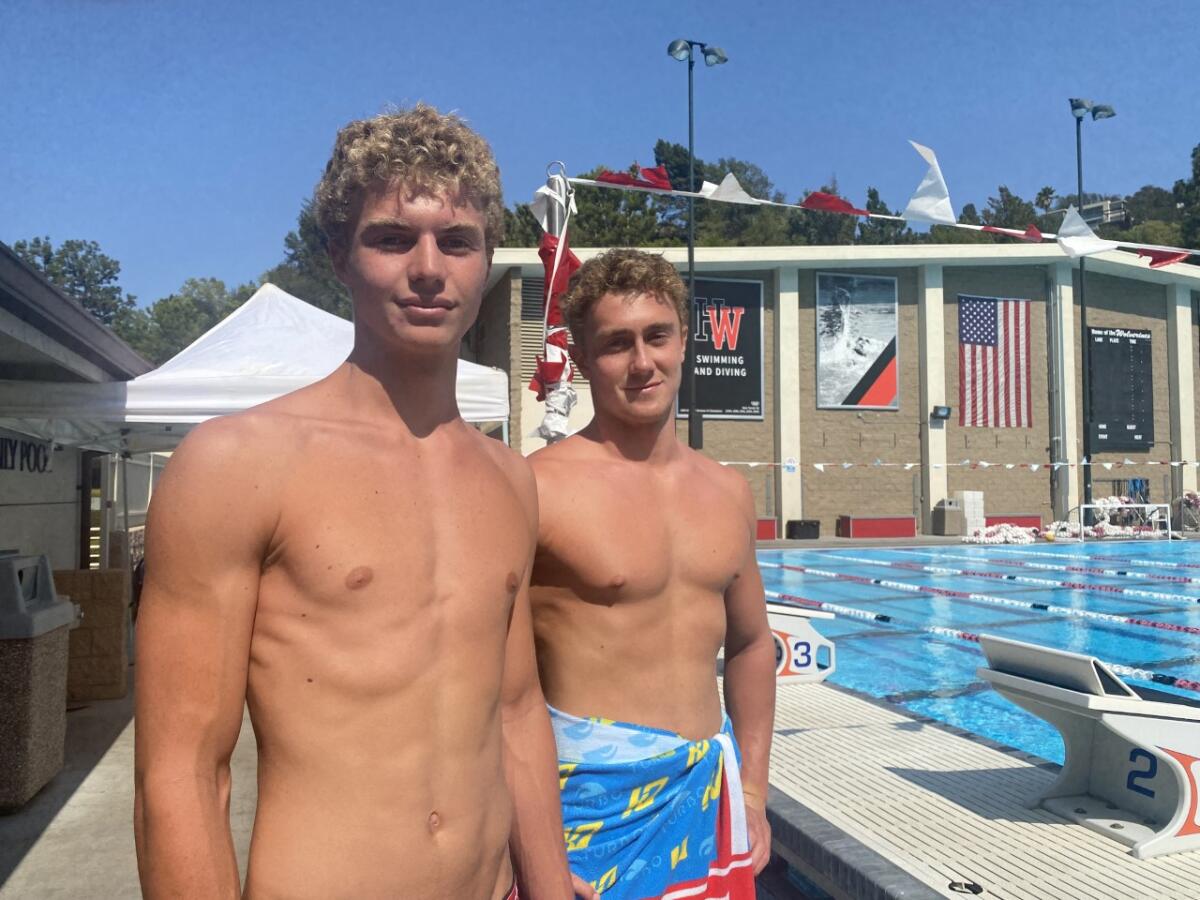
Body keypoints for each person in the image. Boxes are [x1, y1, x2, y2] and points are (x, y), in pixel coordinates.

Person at [134, 105, 575, 900]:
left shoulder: (510, 480)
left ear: (485, 260)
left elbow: (513, 711)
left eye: (458, 241)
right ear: (339, 254)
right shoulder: (237, 466)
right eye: (392, 238)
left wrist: (550, 886)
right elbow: (182, 775)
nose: (430, 268)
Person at [529, 249, 777, 899]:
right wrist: (521, 839)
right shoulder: (535, 490)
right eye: (616, 344)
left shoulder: (727, 491)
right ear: (582, 359)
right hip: (584, 819)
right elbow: (482, 684)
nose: (643, 363)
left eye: (656, 336)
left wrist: (752, 787)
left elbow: (752, 645)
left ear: (684, 340)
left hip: (708, 801)